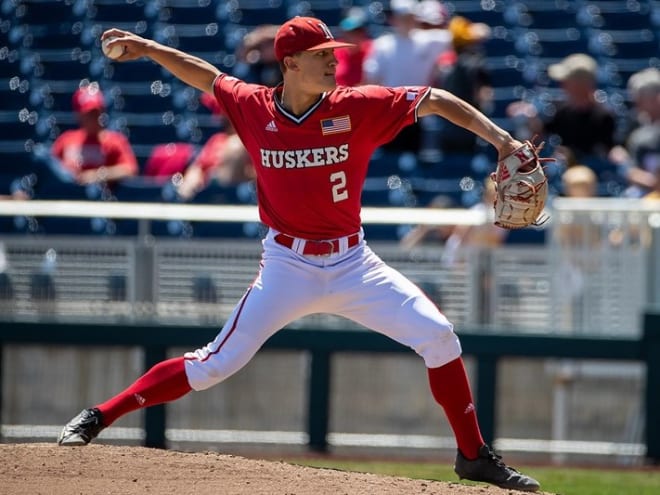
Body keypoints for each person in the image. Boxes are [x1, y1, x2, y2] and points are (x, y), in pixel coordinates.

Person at [57, 16, 541, 492]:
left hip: (354, 263)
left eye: (334, 54)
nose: (334, 63)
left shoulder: (358, 106)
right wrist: (149, 48)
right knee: (211, 366)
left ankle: (473, 456)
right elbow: (204, 73)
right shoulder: (252, 106)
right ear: (290, 63)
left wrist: (502, 139)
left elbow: (434, 99)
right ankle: (99, 415)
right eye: (322, 56)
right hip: (287, 266)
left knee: (439, 338)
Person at [363, 0, 453, 153]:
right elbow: (371, 80)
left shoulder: (429, 40)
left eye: (410, 16)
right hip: (390, 112)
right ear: (394, 19)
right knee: (390, 158)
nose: (406, 21)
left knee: (416, 158)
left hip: (418, 111)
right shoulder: (382, 45)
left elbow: (465, 34)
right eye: (402, 17)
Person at [507, 53, 617, 162]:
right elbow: (542, 133)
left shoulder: (603, 116)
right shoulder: (561, 110)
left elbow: (608, 151)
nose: (562, 85)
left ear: (582, 84)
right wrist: (531, 116)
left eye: (567, 81)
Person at [51, 83, 138, 186]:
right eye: (88, 114)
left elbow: (130, 170)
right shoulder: (66, 140)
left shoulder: (114, 141)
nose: (93, 118)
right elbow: (50, 167)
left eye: (96, 113)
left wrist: (97, 175)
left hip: (101, 198)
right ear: (79, 115)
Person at [609, 67, 660, 198]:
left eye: (641, 99)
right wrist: (652, 182)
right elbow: (630, 169)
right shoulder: (636, 128)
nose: (637, 105)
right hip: (646, 190)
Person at [334, 7, 373, 87]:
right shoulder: (335, 50)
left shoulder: (373, 50)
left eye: (358, 32)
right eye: (350, 33)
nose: (354, 37)